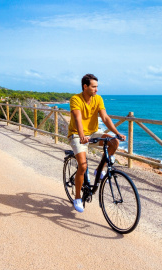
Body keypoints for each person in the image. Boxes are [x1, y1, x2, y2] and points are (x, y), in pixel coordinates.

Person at [68, 74, 126, 213]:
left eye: (97, 87)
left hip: (93, 133)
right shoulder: (75, 99)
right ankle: (77, 198)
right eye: (94, 87)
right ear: (85, 86)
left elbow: (105, 117)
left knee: (114, 142)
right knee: (82, 166)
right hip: (77, 134)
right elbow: (77, 118)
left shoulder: (98, 99)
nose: (96, 90)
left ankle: (99, 170)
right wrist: (82, 135)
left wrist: (117, 133)